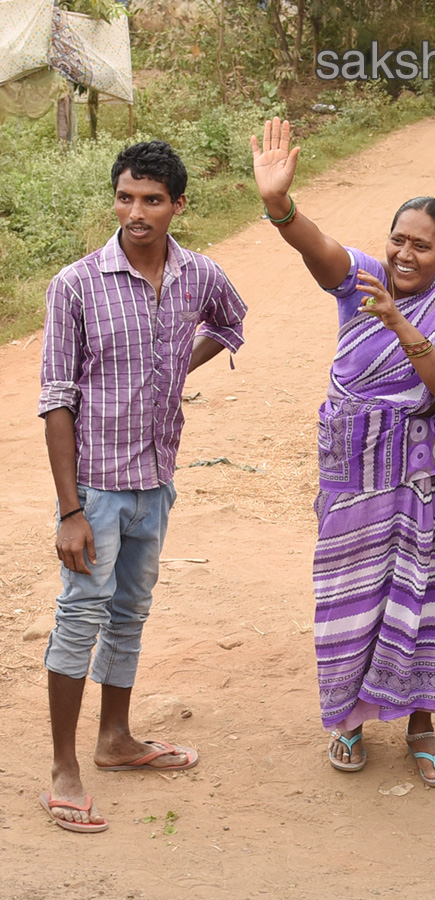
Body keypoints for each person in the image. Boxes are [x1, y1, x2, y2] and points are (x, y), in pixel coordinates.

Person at [251, 118, 435, 785]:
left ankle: (421, 724)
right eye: (398, 239)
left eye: (422, 246)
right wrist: (279, 208)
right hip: (353, 470)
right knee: (348, 593)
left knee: (427, 598)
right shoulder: (363, 278)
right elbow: (318, 247)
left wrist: (400, 323)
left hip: (422, 482)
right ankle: (349, 718)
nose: (405, 254)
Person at [38, 140, 247, 833]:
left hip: (157, 481)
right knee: (81, 615)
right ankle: (66, 767)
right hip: (94, 488)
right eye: (126, 196)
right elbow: (57, 401)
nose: (137, 211)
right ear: (116, 198)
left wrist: (175, 368)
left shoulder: (198, 275)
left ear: (178, 205)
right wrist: (70, 510)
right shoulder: (75, 285)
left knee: (129, 613)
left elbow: (231, 321)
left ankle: (115, 740)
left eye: (152, 200)